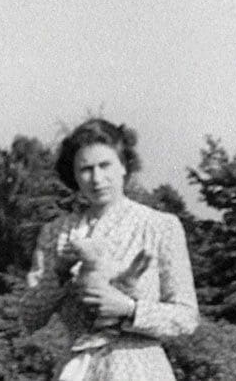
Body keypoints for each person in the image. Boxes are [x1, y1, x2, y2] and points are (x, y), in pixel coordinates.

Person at [21, 118, 199, 381]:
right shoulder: (55, 233)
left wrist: (129, 309)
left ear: (124, 166)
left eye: (105, 165)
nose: (97, 179)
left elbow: (186, 318)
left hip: (140, 368)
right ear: (74, 174)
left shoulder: (160, 226)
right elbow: (30, 317)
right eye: (85, 169)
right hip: (77, 370)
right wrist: (58, 274)